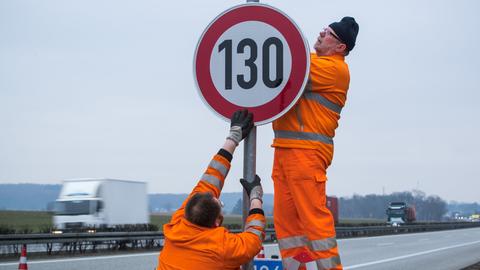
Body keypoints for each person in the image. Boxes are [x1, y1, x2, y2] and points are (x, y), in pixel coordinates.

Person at [271, 17, 359, 270]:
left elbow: (289, 69)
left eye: (329, 33)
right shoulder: (316, 61)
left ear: (340, 47)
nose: (321, 33)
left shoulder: (334, 69)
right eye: (324, 29)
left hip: (307, 154)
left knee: (314, 220)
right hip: (285, 151)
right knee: (287, 225)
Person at [157, 109, 265, 270]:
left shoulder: (178, 225)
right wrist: (256, 196)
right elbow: (253, 237)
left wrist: (233, 137)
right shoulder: (223, 247)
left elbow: (210, 180)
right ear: (217, 222)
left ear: (187, 210)